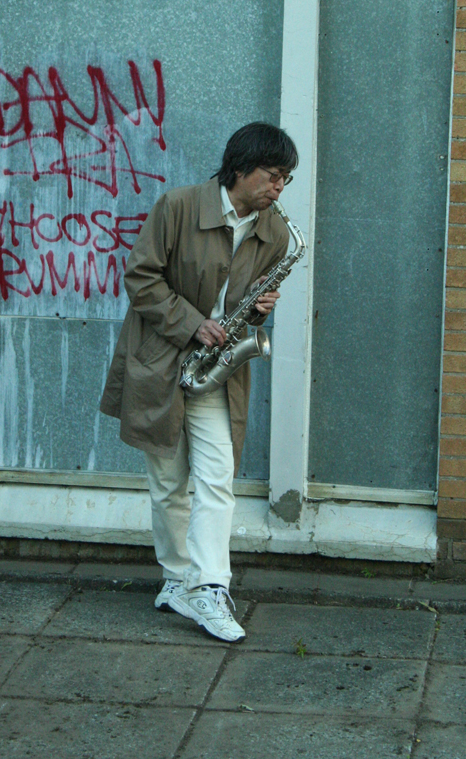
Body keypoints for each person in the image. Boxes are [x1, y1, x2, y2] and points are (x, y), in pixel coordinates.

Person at [100, 122, 298, 642]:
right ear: (239, 168)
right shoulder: (179, 207)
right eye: (273, 176)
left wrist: (255, 310)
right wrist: (192, 323)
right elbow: (140, 278)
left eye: (286, 180)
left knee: (216, 477)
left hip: (217, 370)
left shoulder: (275, 232)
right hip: (161, 360)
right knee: (168, 484)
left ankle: (211, 586)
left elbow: (246, 312)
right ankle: (175, 579)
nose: (278, 188)